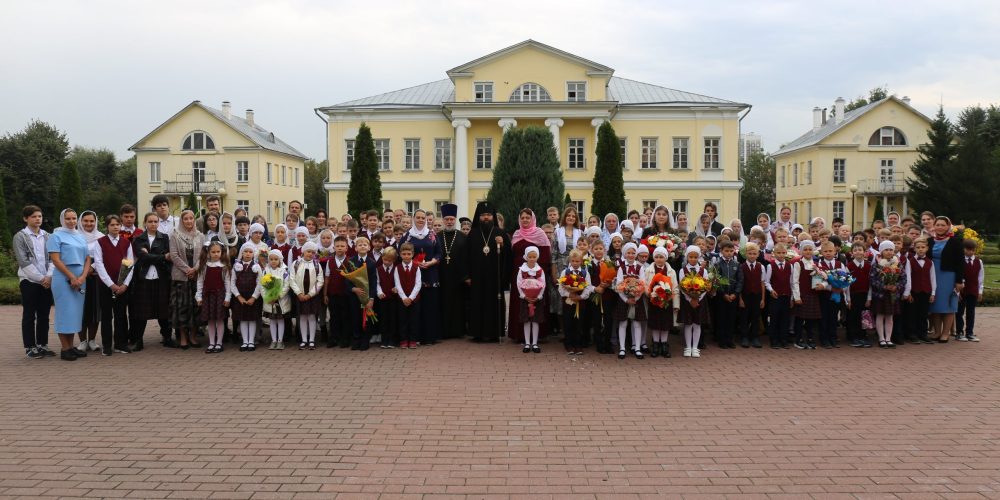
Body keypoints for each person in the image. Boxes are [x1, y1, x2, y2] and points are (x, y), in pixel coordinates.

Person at [47, 209, 92, 361]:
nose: (72, 221)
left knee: (74, 314)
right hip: (63, 279)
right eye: (68, 219)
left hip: (80, 279)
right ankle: (64, 348)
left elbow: (87, 259)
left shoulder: (80, 236)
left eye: (74, 218)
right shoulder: (56, 235)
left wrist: (83, 276)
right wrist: (72, 277)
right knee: (64, 313)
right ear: (62, 219)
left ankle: (71, 346)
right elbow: (56, 260)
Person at [466, 202, 510, 343]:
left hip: (494, 277)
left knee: (493, 304)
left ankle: (494, 333)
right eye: (483, 215)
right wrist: (466, 276)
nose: (486, 217)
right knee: (477, 303)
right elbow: (465, 257)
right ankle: (477, 333)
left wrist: (502, 245)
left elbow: (509, 255)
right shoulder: (472, 234)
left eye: (489, 215)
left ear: (493, 216)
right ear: (479, 217)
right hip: (476, 277)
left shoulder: (500, 233)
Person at [15, 205, 55, 359]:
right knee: (29, 315)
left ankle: (42, 345)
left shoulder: (47, 236)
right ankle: (30, 347)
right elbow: (23, 262)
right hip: (29, 281)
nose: (38, 219)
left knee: (44, 315)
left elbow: (53, 257)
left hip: (47, 281)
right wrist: (41, 278)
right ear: (26, 218)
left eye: (39, 216)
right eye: (33, 216)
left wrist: (49, 277)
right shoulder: (20, 236)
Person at [92, 214, 134, 355]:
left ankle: (121, 344)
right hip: (105, 285)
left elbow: (130, 264)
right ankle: (107, 346)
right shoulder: (100, 242)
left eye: (118, 224)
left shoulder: (126, 243)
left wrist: (125, 284)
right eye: (112, 225)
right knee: (106, 316)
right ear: (107, 227)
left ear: (121, 226)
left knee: (121, 315)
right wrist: (110, 284)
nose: (115, 227)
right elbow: (98, 264)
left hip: (122, 286)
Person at [509, 209, 552, 343]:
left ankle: (538, 336)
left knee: (536, 304)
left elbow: (545, 256)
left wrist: (534, 274)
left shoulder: (540, 234)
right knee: (520, 303)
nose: (525, 220)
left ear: (532, 219)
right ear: (519, 219)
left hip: (535, 275)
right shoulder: (516, 234)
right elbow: (512, 255)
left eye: (528, 217)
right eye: (523, 218)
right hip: (519, 275)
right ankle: (519, 335)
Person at [130, 212, 172, 350]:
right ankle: (138, 340)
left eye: (155, 221)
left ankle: (167, 338)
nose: (153, 224)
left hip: (161, 278)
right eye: (150, 221)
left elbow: (168, 256)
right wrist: (161, 256)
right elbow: (142, 257)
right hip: (144, 278)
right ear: (145, 223)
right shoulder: (138, 239)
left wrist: (148, 255)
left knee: (164, 310)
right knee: (141, 312)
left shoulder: (164, 238)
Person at [400, 210, 441, 346]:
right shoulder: (407, 236)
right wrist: (415, 263)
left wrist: (431, 262)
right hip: (412, 276)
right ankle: (414, 337)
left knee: (429, 307)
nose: (421, 220)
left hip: (430, 275)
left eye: (423, 218)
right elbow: (401, 254)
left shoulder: (432, 235)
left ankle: (429, 337)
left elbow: (439, 253)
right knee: (415, 309)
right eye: (418, 217)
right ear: (413, 218)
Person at [168, 210, 205, 349]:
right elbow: (174, 255)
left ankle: (193, 336)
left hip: (196, 277)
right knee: (182, 307)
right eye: (186, 219)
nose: (189, 221)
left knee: (196, 307)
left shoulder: (200, 236)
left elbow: (203, 256)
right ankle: (183, 337)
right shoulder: (174, 235)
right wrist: (187, 270)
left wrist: (194, 269)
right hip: (180, 277)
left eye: (191, 218)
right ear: (181, 221)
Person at [928, 216, 965, 342]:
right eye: (937, 224)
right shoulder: (929, 241)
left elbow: (960, 262)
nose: (940, 227)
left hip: (949, 276)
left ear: (948, 226)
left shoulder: (955, 242)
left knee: (949, 305)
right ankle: (937, 332)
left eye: (943, 225)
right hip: (933, 275)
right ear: (934, 226)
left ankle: (945, 333)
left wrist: (959, 281)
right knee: (935, 305)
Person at [436, 204, 468, 339]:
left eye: (452, 219)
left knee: (457, 304)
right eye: (447, 219)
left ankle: (457, 331)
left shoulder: (462, 236)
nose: (449, 222)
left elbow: (467, 258)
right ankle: (443, 331)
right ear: (443, 220)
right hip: (441, 276)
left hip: (458, 277)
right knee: (443, 303)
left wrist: (466, 276)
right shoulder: (436, 236)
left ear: (455, 220)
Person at [196, 241, 232, 353]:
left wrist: (227, 298)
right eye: (213, 252)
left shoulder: (224, 266)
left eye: (218, 252)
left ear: (222, 252)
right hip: (207, 295)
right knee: (210, 320)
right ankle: (211, 343)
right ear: (208, 252)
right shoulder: (204, 266)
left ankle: (219, 343)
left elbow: (227, 283)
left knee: (220, 320)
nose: (216, 254)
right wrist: (198, 296)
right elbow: (200, 281)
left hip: (220, 295)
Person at [643, 246, 679, 358]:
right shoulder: (649, 270)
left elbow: (675, 288)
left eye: (661, 257)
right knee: (655, 324)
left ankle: (664, 345)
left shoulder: (671, 271)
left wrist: (676, 303)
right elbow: (645, 284)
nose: (659, 259)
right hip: (654, 301)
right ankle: (655, 344)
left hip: (666, 302)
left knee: (665, 324)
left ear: (666, 258)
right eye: (657, 257)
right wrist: (649, 293)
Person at [77, 211, 104, 352]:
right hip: (78, 276)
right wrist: (82, 271)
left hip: (95, 276)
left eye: (91, 221)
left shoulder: (101, 237)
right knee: (80, 309)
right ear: (80, 222)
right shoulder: (74, 236)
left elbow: (102, 257)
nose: (88, 224)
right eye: (85, 221)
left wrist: (91, 268)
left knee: (94, 309)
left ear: (96, 221)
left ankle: (92, 340)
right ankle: (82, 341)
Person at [559, 249, 593, 356]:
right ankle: (569, 344)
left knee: (579, 323)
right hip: (568, 301)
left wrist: (581, 296)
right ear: (570, 260)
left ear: (581, 262)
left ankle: (578, 344)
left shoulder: (585, 272)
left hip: (580, 301)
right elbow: (561, 287)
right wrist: (569, 294)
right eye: (573, 261)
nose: (575, 263)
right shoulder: (565, 272)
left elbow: (588, 287)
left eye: (577, 261)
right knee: (568, 322)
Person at [871, 241, 905, 348]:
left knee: (890, 317)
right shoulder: (877, 264)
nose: (889, 252)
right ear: (881, 251)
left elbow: (903, 278)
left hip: (893, 294)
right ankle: (881, 338)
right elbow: (873, 279)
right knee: (880, 315)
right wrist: (884, 286)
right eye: (886, 250)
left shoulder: (898, 264)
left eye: (891, 250)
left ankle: (888, 339)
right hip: (881, 295)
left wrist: (896, 286)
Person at [615, 242, 646, 360]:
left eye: (633, 253)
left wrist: (635, 298)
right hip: (624, 300)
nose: (631, 255)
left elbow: (642, 284)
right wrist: (626, 299)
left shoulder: (640, 268)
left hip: (636, 299)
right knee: (623, 323)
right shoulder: (621, 268)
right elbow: (619, 285)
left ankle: (637, 348)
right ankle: (622, 348)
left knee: (637, 323)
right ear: (625, 254)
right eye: (628, 252)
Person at [816, 241, 849, 348]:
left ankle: (833, 338)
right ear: (821, 252)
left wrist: (841, 288)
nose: (828, 253)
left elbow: (846, 279)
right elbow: (819, 281)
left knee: (834, 317)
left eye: (830, 251)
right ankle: (824, 339)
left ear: (835, 252)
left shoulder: (841, 264)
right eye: (825, 251)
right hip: (824, 296)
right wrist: (830, 287)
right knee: (824, 317)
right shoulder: (819, 265)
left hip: (837, 295)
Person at [230, 242, 263, 351]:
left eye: (250, 252)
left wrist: (254, 297)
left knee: (252, 319)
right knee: (243, 319)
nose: (248, 254)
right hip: (240, 298)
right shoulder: (236, 266)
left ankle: (251, 341)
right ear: (242, 253)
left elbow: (260, 283)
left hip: (252, 297)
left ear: (254, 254)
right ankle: (245, 342)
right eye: (245, 252)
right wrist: (238, 296)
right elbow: (232, 283)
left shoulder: (257, 267)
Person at [678, 245, 709, 358]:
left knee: (697, 324)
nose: (693, 259)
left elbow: (706, 286)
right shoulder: (683, 270)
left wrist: (698, 298)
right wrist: (690, 299)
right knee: (688, 324)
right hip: (687, 301)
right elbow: (682, 286)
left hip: (700, 301)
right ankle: (688, 347)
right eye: (690, 257)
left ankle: (695, 347)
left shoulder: (703, 270)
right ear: (687, 257)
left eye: (695, 257)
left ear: (698, 257)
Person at [903, 238, 936, 344]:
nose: (920, 249)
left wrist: (933, 293)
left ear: (927, 248)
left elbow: (933, 278)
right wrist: (908, 293)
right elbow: (908, 277)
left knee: (923, 314)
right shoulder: (910, 261)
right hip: (914, 292)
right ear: (914, 248)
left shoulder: (930, 262)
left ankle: (923, 334)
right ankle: (912, 334)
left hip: (926, 291)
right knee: (912, 313)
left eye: (923, 247)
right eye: (918, 247)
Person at [712, 240, 743, 349]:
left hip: (733, 296)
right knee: (721, 318)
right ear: (721, 251)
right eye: (726, 251)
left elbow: (740, 281)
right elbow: (716, 281)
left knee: (731, 318)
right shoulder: (717, 264)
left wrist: (735, 293)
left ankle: (730, 339)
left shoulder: (737, 264)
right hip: (722, 297)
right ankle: (722, 340)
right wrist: (724, 294)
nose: (729, 253)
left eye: (731, 251)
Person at [291, 241, 323, 349]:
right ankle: (304, 340)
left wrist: (310, 294)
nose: (310, 254)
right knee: (303, 317)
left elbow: (320, 281)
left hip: (312, 296)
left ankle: (312, 340)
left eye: (313, 252)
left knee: (312, 317)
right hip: (300, 295)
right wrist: (299, 293)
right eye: (308, 251)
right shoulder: (296, 263)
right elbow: (291, 279)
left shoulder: (317, 264)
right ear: (303, 251)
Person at [348, 236, 377, 350]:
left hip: (367, 296)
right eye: (360, 245)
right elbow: (347, 279)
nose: (362, 246)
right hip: (355, 296)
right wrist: (353, 289)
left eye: (365, 244)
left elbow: (374, 281)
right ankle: (356, 339)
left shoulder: (371, 263)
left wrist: (371, 298)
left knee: (366, 318)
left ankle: (365, 340)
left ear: (369, 247)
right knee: (355, 317)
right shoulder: (351, 261)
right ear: (355, 248)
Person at [323, 236, 352, 348]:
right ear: (334, 247)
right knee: (333, 316)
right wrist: (325, 294)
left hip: (345, 294)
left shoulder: (350, 261)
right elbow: (327, 278)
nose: (340, 248)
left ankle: (345, 338)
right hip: (333, 293)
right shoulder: (330, 261)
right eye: (338, 246)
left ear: (346, 248)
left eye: (342, 246)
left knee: (345, 316)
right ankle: (334, 338)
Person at [791, 241, 821, 349]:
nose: (808, 251)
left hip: (813, 294)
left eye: (810, 249)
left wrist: (821, 284)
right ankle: (798, 339)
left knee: (811, 319)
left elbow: (822, 278)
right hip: (802, 295)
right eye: (805, 249)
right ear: (801, 251)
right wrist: (797, 297)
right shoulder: (798, 263)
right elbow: (795, 281)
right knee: (800, 318)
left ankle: (810, 339)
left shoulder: (817, 264)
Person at [516, 246, 546, 353]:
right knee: (527, 321)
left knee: (536, 321)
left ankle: (535, 343)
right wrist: (524, 296)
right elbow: (519, 284)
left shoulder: (540, 270)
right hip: (525, 299)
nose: (532, 259)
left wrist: (538, 296)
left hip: (537, 299)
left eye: (534, 257)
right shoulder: (521, 270)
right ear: (526, 257)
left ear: (537, 257)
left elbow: (543, 284)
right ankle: (527, 343)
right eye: (530, 257)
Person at [261, 249, 291, 350]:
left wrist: (278, 295)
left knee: (280, 320)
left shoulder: (284, 271)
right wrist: (268, 297)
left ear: (280, 260)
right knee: (272, 321)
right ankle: (273, 340)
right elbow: (262, 285)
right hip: (270, 301)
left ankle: (280, 341)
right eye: (271, 259)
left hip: (280, 300)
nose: (273, 261)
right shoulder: (265, 271)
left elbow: (286, 285)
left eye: (276, 259)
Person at [765, 244, 793, 349]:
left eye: (783, 253)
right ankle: (774, 340)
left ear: (786, 253)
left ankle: (784, 340)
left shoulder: (790, 266)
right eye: (778, 253)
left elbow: (791, 283)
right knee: (774, 318)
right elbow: (767, 282)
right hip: (775, 297)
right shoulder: (770, 265)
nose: (781, 255)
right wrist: (771, 290)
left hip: (786, 296)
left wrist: (792, 298)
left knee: (785, 319)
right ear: (774, 254)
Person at [395, 242, 422, 349]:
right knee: (403, 320)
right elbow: (397, 283)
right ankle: (404, 340)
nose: (406, 256)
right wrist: (404, 297)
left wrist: (410, 298)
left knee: (414, 320)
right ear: (400, 254)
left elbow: (418, 283)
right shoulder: (397, 268)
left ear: (413, 254)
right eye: (404, 254)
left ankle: (413, 339)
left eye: (408, 254)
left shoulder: (416, 267)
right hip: (402, 299)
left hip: (414, 299)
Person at [846, 243, 873, 348]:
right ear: (852, 253)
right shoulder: (849, 266)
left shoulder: (868, 266)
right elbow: (847, 284)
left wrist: (869, 298)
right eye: (855, 250)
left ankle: (863, 335)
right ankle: (853, 337)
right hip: (853, 295)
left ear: (865, 252)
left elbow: (871, 283)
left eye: (860, 249)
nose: (858, 252)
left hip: (865, 295)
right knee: (853, 316)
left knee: (864, 316)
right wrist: (848, 299)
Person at [738, 242, 765, 348]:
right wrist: (740, 299)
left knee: (756, 316)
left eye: (754, 253)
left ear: (758, 254)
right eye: (750, 253)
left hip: (757, 295)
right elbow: (739, 283)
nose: (752, 256)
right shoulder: (741, 266)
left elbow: (762, 283)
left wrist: (763, 299)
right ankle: (744, 337)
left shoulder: (761, 267)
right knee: (744, 316)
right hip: (745, 295)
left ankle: (755, 337)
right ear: (746, 254)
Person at [957, 239, 983, 342]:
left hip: (973, 290)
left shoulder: (978, 261)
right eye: (968, 250)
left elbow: (981, 278)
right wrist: (957, 292)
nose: (970, 252)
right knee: (959, 312)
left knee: (971, 312)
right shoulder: (960, 261)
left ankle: (969, 332)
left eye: (972, 250)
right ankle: (959, 332)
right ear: (963, 249)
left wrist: (980, 291)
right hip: (962, 291)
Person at [375, 247, 399, 348]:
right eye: (385, 260)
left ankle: (392, 340)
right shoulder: (379, 269)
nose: (387, 262)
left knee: (393, 319)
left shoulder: (397, 268)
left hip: (393, 298)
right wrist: (379, 292)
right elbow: (377, 283)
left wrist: (396, 288)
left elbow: (398, 281)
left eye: (389, 260)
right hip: (383, 299)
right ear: (382, 258)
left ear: (393, 260)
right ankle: (384, 340)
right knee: (384, 319)